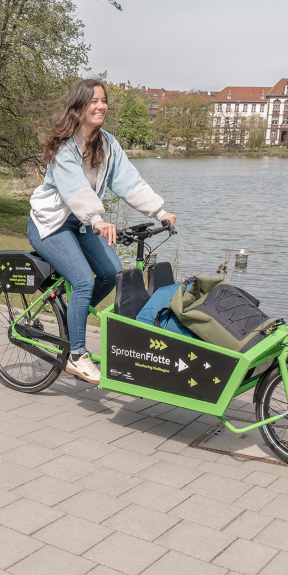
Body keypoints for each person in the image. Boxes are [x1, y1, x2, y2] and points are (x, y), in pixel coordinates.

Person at [29, 78, 175, 384]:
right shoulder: (64, 147)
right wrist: (97, 219)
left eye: (104, 100)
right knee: (82, 280)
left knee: (111, 272)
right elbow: (76, 190)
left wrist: (159, 210)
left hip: (81, 222)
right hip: (51, 223)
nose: (101, 106)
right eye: (93, 101)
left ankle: (73, 318)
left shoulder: (108, 144)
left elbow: (130, 183)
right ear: (79, 107)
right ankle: (78, 355)